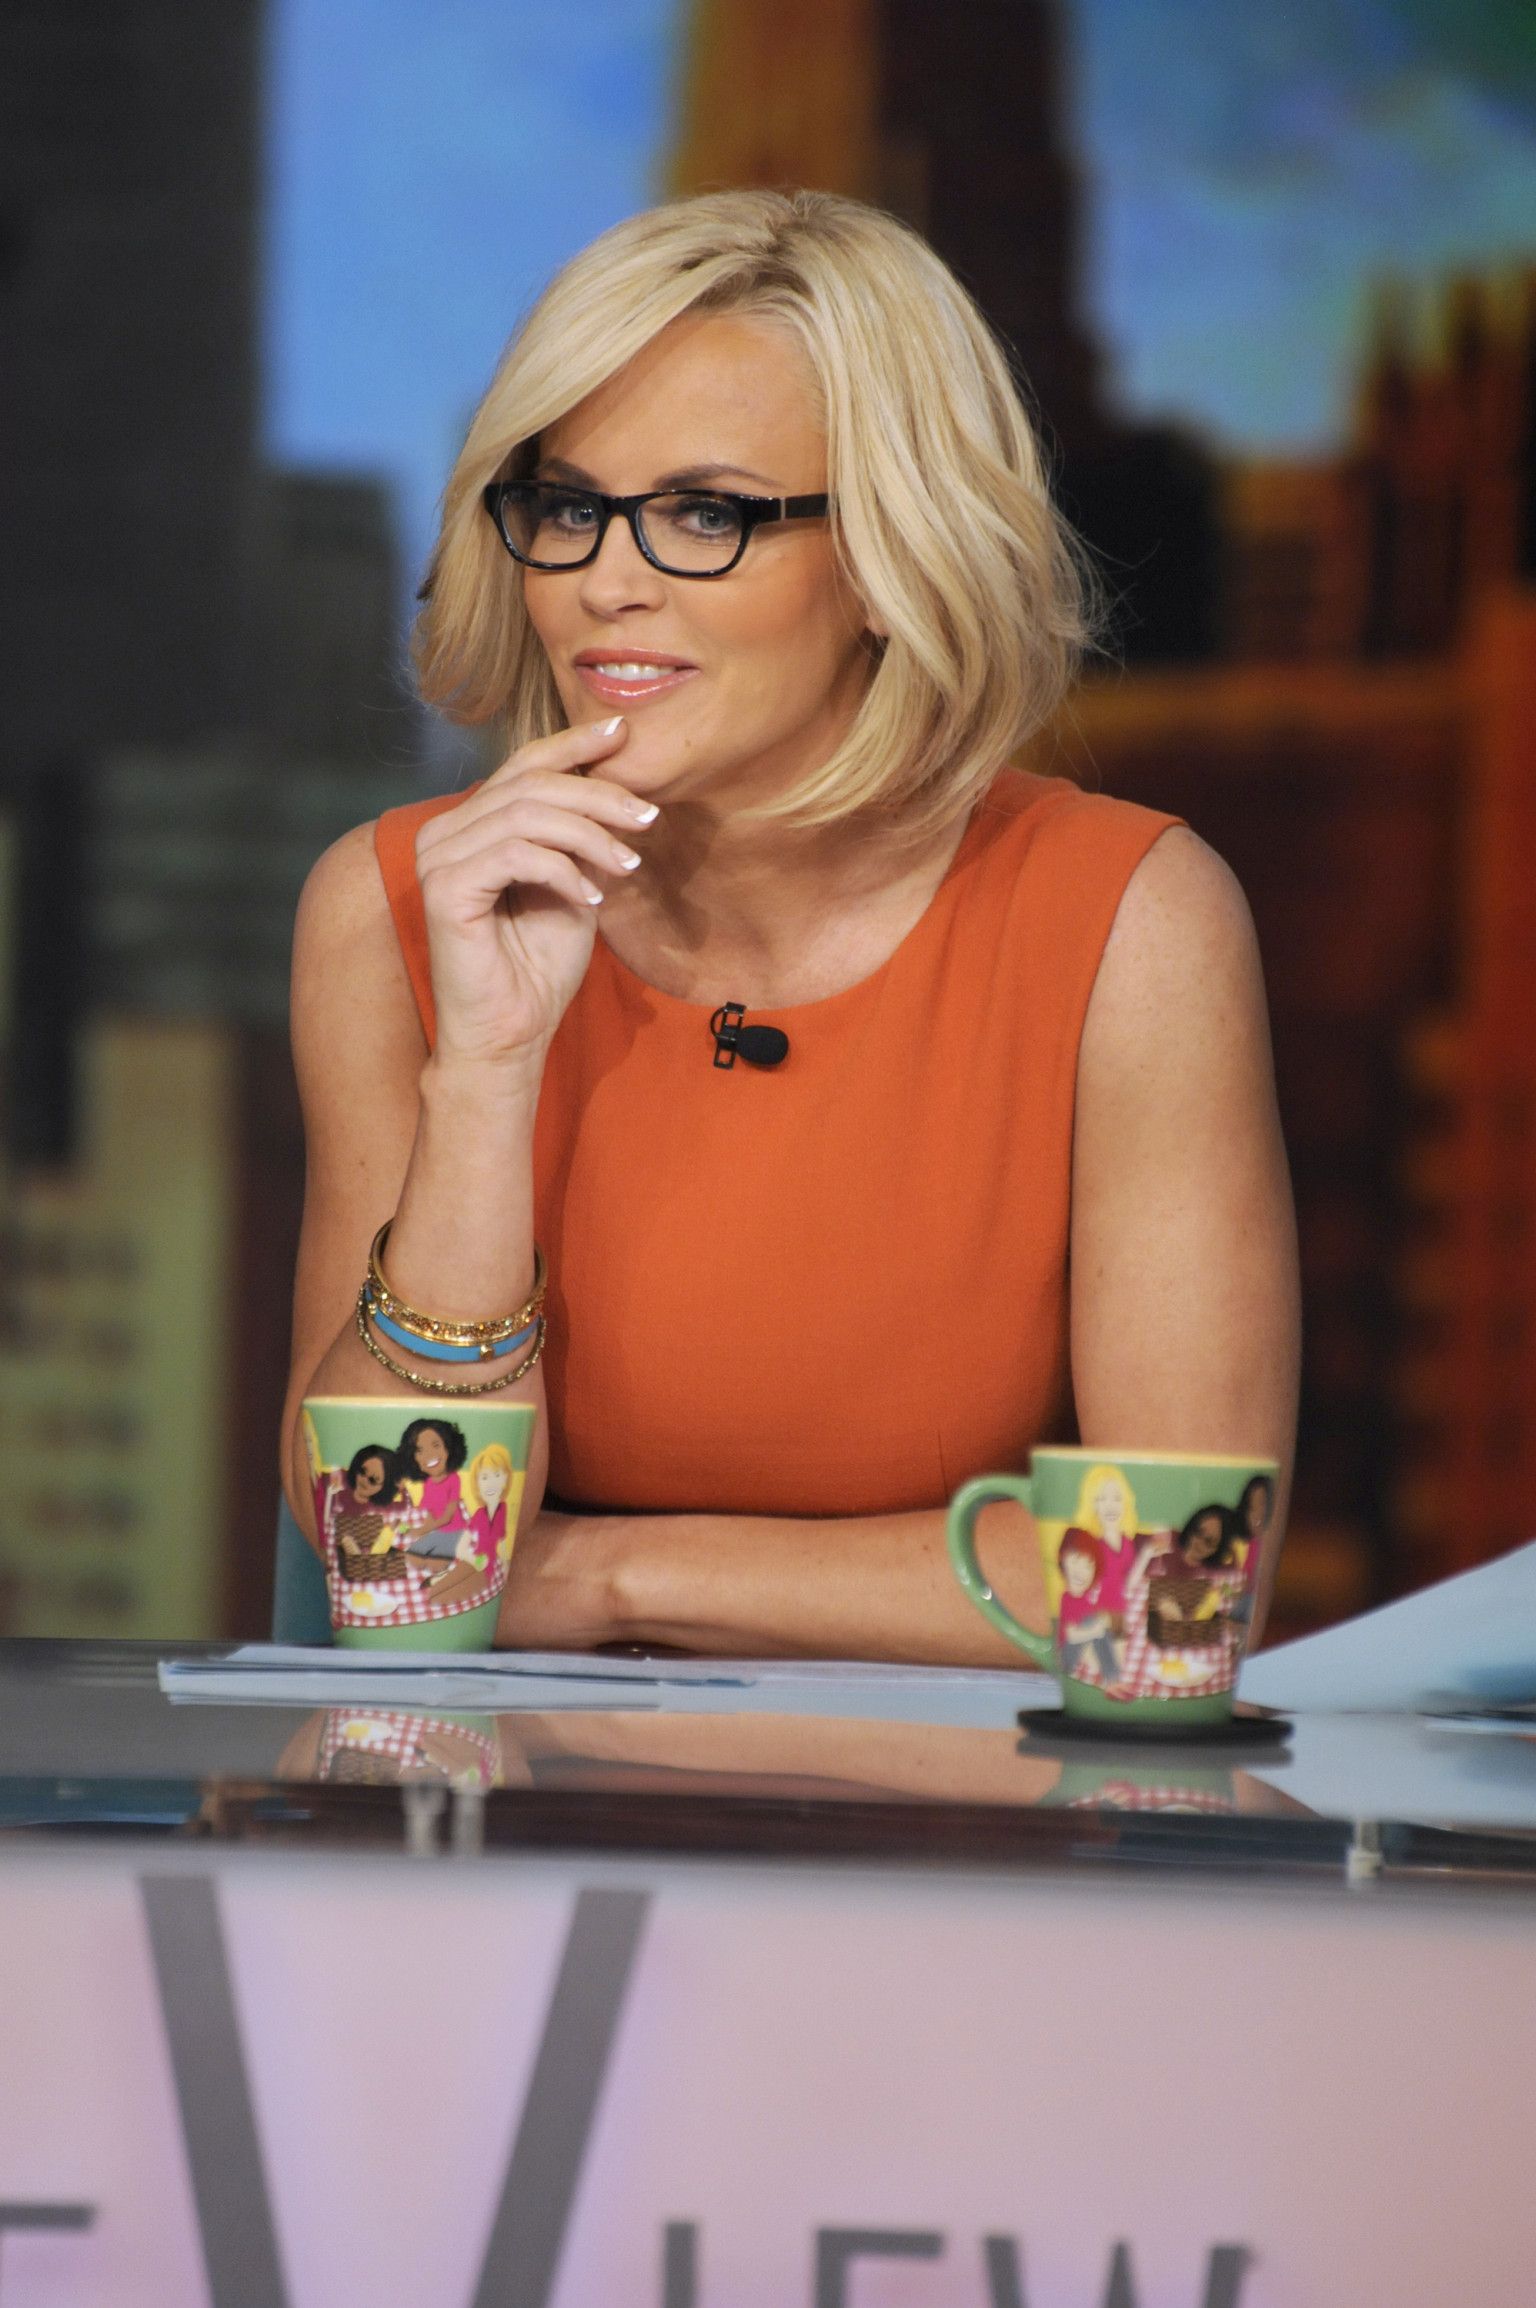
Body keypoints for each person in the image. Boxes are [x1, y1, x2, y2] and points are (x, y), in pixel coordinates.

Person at [281, 188, 1299, 1662]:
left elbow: (1169, 1596)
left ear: (890, 561)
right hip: (502, 1799)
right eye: (567, 507)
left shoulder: (1129, 923)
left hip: (977, 1808)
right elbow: (393, 1578)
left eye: (705, 514)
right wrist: (485, 1079)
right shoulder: (394, 911)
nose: (605, 583)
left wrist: (610, 1580)